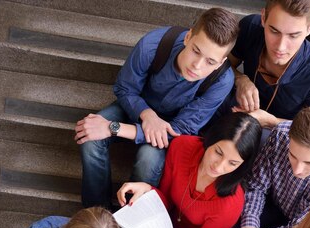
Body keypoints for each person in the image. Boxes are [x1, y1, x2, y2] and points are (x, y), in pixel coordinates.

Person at [75, 8, 239, 210]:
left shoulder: (222, 81)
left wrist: (113, 128)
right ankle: (95, 215)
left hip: (170, 130)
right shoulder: (154, 44)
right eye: (196, 51)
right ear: (188, 37)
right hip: (135, 107)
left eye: (210, 61)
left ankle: (128, 224)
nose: (197, 65)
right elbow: (125, 88)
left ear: (221, 62)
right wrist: (147, 114)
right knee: (90, 138)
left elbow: (180, 131)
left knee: (149, 160)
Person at [117, 112, 262, 228]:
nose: (219, 166)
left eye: (233, 163)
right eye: (218, 152)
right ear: (211, 139)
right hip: (160, 222)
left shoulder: (232, 201)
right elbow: (165, 200)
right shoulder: (182, 146)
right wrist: (148, 189)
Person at [226, 0, 310, 129]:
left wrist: (272, 122)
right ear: (263, 18)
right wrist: (240, 79)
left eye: (293, 36)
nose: (280, 47)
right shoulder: (250, 26)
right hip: (235, 108)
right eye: (274, 31)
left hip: (282, 133)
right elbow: (223, 64)